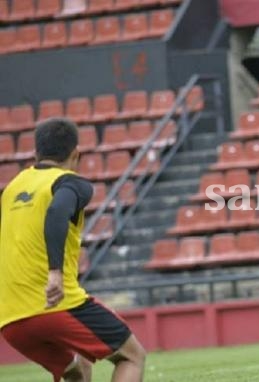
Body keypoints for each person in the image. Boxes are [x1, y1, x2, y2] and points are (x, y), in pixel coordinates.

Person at [0, 118, 147, 382]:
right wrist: (54, 272)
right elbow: (57, 211)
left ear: (36, 153)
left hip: (10, 319)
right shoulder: (71, 183)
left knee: (77, 372)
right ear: (75, 154)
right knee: (132, 356)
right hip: (55, 305)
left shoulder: (11, 189)